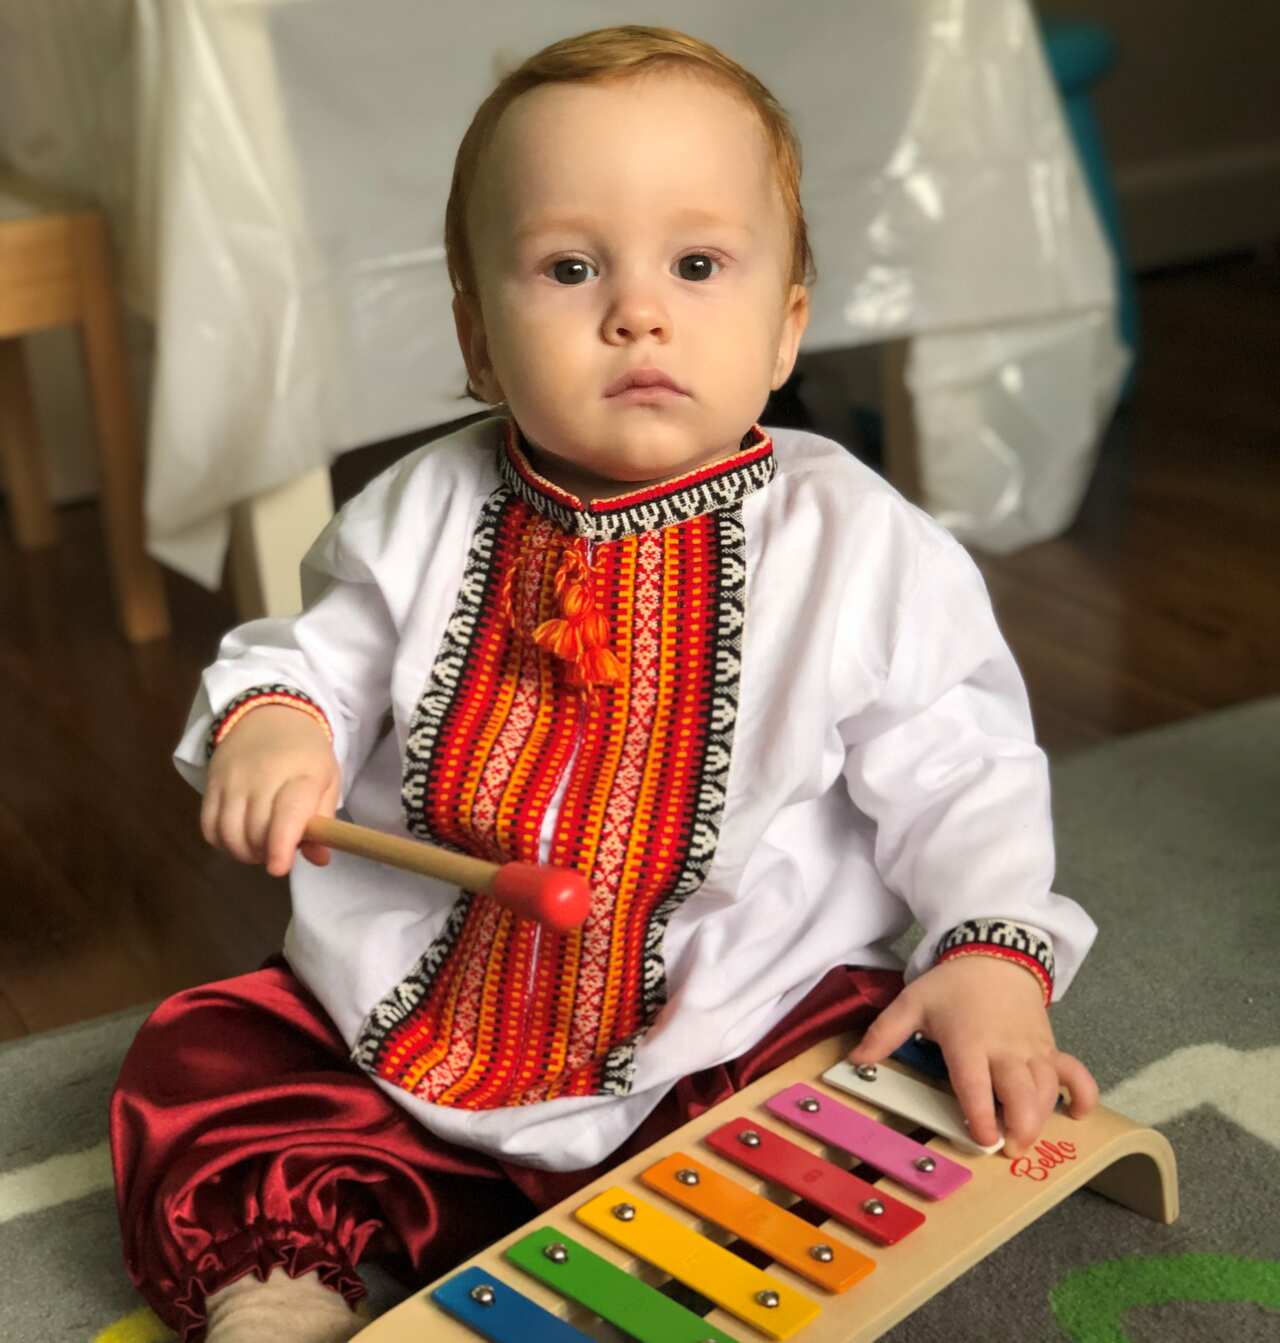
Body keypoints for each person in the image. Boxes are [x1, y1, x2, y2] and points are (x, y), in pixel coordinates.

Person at [111, 25, 1099, 1343]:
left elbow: (961, 772)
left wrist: (991, 949)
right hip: (422, 1017)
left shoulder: (860, 546)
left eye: (698, 265)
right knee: (210, 1060)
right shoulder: (418, 510)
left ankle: (678, 1270)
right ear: (476, 337)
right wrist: (279, 728)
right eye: (570, 267)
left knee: (879, 1068)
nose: (637, 310)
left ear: (787, 326)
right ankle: (280, 1287)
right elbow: (318, 658)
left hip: (721, 1018)